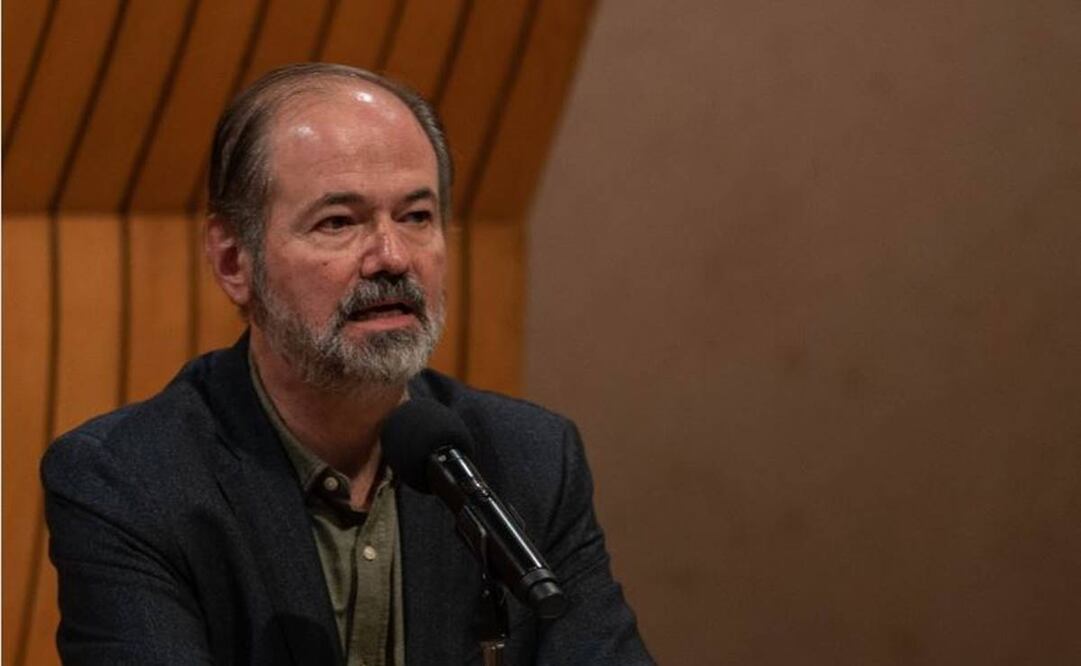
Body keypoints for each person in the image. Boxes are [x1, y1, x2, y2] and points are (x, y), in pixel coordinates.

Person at [42, 63, 653, 665]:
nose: (391, 257)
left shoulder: (530, 460)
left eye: (417, 217)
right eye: (338, 222)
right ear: (234, 262)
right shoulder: (128, 480)